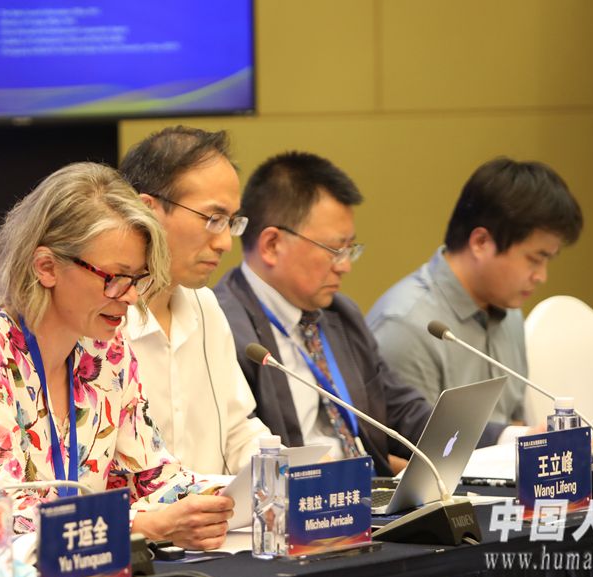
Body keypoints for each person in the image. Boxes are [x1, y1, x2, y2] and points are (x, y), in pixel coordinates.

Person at [0, 163, 234, 556]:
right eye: (115, 278)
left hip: (70, 567)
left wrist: (237, 492)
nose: (131, 296)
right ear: (47, 267)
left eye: (137, 278)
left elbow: (155, 477)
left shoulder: (108, 352)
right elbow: (6, 515)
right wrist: (143, 526)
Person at [215, 151, 509, 477]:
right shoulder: (223, 327)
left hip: (374, 498)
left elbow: (403, 413)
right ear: (272, 245)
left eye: (350, 249)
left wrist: (507, 439)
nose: (345, 266)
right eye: (334, 250)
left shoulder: (341, 314)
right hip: (299, 500)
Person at [366, 157, 583, 426]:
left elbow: (513, 422)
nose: (541, 276)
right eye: (534, 259)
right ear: (480, 242)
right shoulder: (406, 327)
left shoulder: (509, 313)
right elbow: (410, 446)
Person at [119, 126, 269, 475]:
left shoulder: (206, 306)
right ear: (148, 211)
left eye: (231, 222)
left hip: (216, 510)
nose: (225, 243)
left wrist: (295, 473)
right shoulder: (101, 320)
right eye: (213, 219)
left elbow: (237, 432)